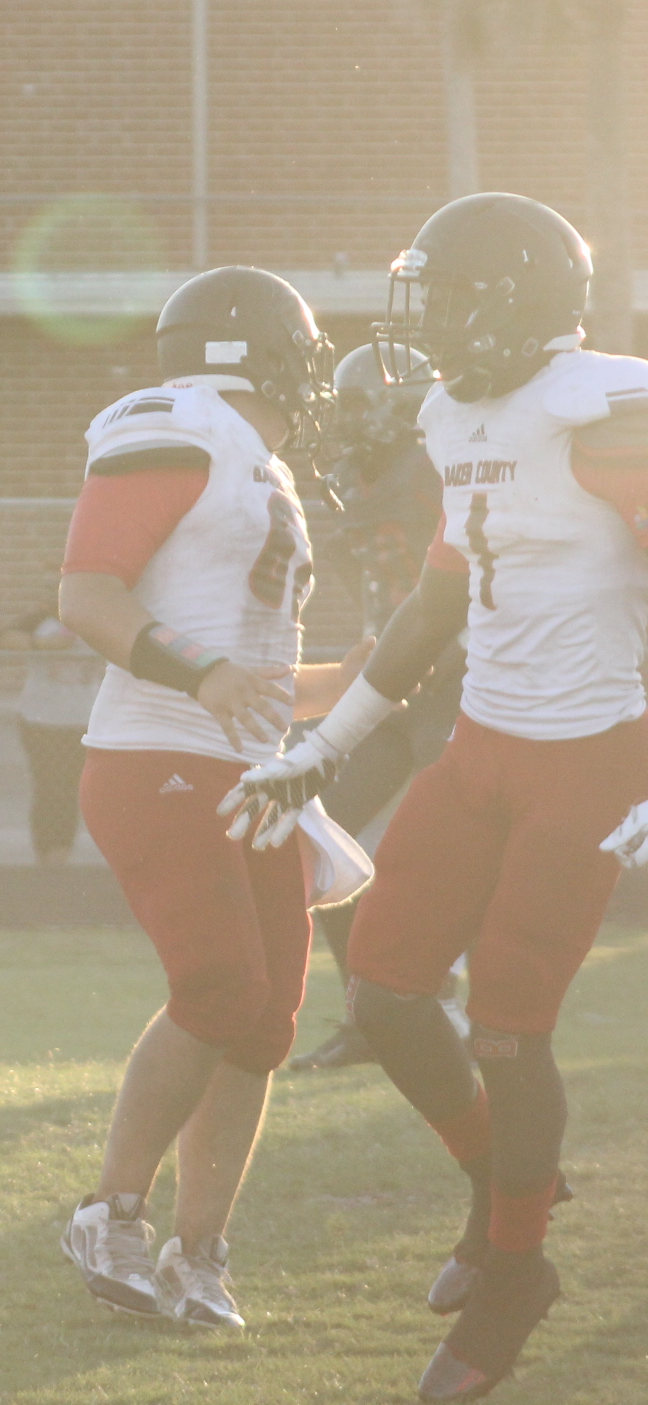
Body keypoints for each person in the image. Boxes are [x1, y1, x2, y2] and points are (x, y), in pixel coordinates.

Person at [227, 195, 648, 1402]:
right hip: (481, 744)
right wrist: (326, 747)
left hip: (591, 755)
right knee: (390, 988)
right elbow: (441, 597)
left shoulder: (605, 412)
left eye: (453, 299)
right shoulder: (457, 411)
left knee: (509, 1025)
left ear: (518, 302)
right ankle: (504, 1190)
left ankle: (516, 1272)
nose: (433, 324)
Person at [54, 265, 357, 1331]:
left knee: (266, 1022)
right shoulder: (180, 422)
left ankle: (199, 1254)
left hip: (252, 766)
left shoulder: (260, 465)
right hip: (157, 753)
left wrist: (366, 673)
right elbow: (85, 593)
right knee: (221, 986)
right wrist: (202, 674)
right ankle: (108, 1216)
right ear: (259, 354)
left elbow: (256, 680)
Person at [289, 342, 462, 1072]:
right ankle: (371, 1018)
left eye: (358, 403)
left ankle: (459, 1009)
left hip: (456, 675)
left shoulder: (437, 465)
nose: (345, 419)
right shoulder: (361, 475)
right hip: (393, 679)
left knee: (446, 849)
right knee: (324, 837)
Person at [0, 585, 100, 865]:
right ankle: (45, 851)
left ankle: (61, 850)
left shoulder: (98, 620)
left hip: (81, 719)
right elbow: (2, 638)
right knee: (48, 785)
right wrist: (43, 645)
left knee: (70, 787)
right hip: (40, 718)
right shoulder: (40, 620)